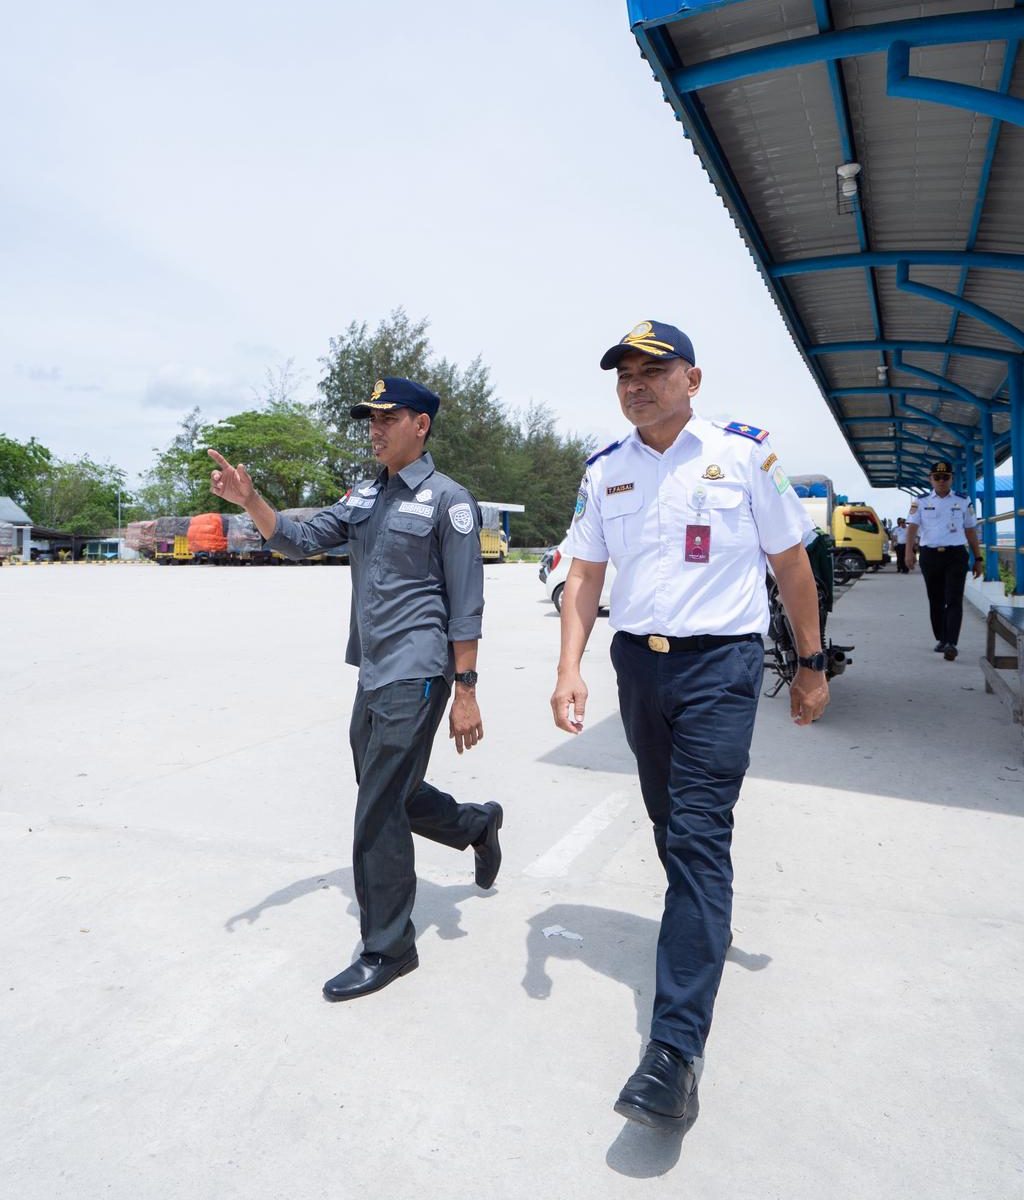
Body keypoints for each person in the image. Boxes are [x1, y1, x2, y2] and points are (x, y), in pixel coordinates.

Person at [550, 320, 829, 1133]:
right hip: (640, 666)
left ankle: (673, 1054)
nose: (635, 385)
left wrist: (810, 665)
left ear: (693, 380)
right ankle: (706, 920)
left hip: (721, 670)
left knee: (700, 835)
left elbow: (792, 566)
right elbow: (585, 575)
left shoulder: (743, 457)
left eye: (652, 370)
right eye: (623, 375)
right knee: (671, 825)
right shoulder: (606, 471)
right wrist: (570, 666)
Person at [208, 377, 503, 1001]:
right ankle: (475, 824)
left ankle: (389, 948)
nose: (373, 426)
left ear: (419, 424)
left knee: (375, 811)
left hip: (419, 671)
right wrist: (252, 499)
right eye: (369, 418)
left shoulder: (449, 500)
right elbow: (301, 539)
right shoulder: (366, 493)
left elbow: (467, 603)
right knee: (387, 791)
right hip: (372, 670)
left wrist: (467, 688)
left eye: (385, 416)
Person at [904, 460, 984, 661]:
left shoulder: (963, 500)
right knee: (936, 599)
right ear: (930, 479)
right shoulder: (920, 502)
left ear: (952, 478)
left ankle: (951, 643)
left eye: (945, 477)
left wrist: (978, 558)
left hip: (955, 555)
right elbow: (912, 527)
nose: (941, 481)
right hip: (930, 556)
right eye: (937, 477)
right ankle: (941, 638)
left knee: (954, 599)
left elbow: (971, 530)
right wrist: (908, 552)